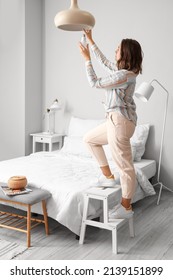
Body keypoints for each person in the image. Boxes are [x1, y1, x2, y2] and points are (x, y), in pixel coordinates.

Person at [78, 30, 143, 219]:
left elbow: (95, 82)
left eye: (118, 49)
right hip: (115, 121)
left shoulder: (125, 76)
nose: (115, 51)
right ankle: (108, 178)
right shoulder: (123, 73)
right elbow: (106, 62)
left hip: (120, 122)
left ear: (126, 54)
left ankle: (126, 207)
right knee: (89, 139)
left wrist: (87, 59)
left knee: (125, 166)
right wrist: (91, 41)